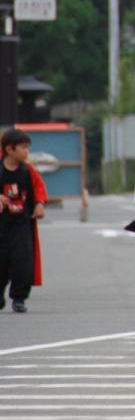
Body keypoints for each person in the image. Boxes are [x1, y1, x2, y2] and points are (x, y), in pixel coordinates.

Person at [0, 129, 48, 313]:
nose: (27, 152)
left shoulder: (28, 171)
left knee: (23, 261)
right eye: (23, 148)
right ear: (10, 149)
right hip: (2, 225)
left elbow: (39, 187)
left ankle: (19, 297)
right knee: (2, 262)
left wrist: (40, 203)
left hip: (22, 224)